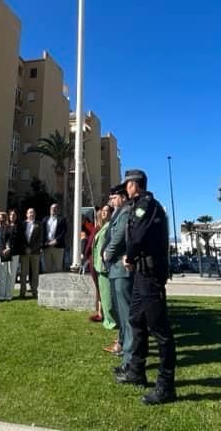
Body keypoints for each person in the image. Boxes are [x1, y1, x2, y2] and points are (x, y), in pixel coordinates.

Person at [115, 169, 177, 405]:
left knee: (160, 330)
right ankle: (136, 371)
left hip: (150, 274)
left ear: (134, 185)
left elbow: (138, 236)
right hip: (142, 273)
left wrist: (129, 257)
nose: (125, 189)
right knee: (136, 320)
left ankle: (166, 385)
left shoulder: (147, 205)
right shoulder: (139, 205)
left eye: (127, 185)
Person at [103, 184, 132, 358]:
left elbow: (119, 236)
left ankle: (129, 353)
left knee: (125, 312)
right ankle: (122, 342)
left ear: (122, 197)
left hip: (121, 268)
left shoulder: (126, 211)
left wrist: (108, 252)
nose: (111, 202)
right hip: (114, 268)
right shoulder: (118, 213)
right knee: (119, 312)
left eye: (114, 198)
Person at [92, 204, 117, 333]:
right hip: (98, 265)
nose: (104, 213)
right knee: (103, 294)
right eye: (103, 211)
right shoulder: (102, 227)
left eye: (107, 211)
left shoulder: (110, 226)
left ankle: (111, 321)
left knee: (107, 295)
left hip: (105, 265)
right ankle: (107, 318)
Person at [17, 206, 43, 298]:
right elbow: (20, 238)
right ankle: (22, 292)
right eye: (30, 212)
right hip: (24, 252)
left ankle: (35, 292)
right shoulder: (22, 224)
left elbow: (40, 239)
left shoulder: (39, 224)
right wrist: (25, 248)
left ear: (35, 214)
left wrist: (32, 249)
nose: (31, 214)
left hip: (35, 252)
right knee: (23, 273)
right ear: (26, 214)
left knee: (35, 273)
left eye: (33, 212)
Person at [0, 209, 20, 301]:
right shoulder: (5, 226)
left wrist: (10, 248)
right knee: (3, 274)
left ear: (16, 217)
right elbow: (2, 239)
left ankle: (9, 295)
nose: (12, 216)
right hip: (3, 253)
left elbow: (18, 240)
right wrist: (3, 250)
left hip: (14, 253)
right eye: (11, 215)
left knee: (11, 275)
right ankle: (1, 295)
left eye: (14, 215)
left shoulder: (19, 227)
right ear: (8, 216)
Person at [42, 203, 67, 273]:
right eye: (52, 208)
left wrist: (56, 240)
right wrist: (46, 243)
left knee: (58, 269)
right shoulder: (45, 219)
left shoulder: (62, 219)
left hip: (58, 247)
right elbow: (42, 233)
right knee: (48, 269)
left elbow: (64, 232)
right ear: (50, 210)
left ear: (58, 210)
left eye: (55, 208)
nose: (54, 209)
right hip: (47, 247)